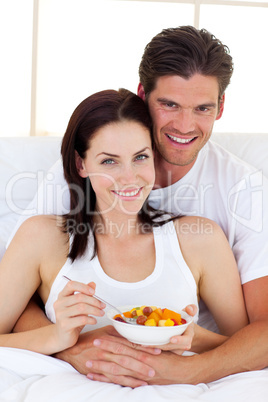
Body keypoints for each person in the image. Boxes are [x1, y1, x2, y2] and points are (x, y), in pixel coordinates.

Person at [10, 26, 268, 386]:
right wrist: (68, 345)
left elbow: (258, 334)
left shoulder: (238, 192)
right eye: (169, 104)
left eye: (203, 108)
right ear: (143, 94)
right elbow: (23, 284)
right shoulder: (73, 177)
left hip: (195, 363)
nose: (184, 125)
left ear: (220, 107)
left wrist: (182, 370)